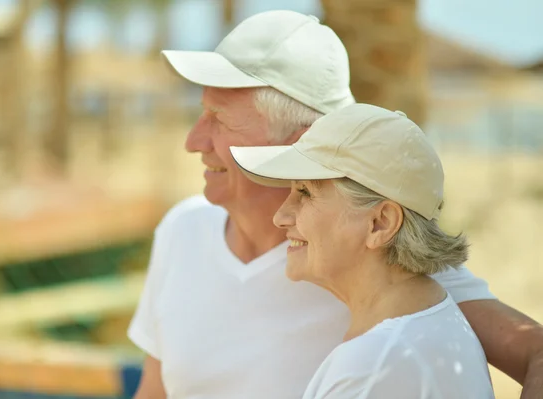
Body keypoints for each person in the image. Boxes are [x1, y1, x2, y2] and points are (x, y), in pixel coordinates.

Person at [128, 10, 543, 399]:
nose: (193, 142)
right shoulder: (181, 230)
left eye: (219, 120)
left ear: (302, 138)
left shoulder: (382, 261)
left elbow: (534, 351)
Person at [229, 103, 495, 398]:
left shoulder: (375, 366)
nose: (281, 217)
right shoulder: (426, 323)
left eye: (305, 192)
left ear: (380, 223)